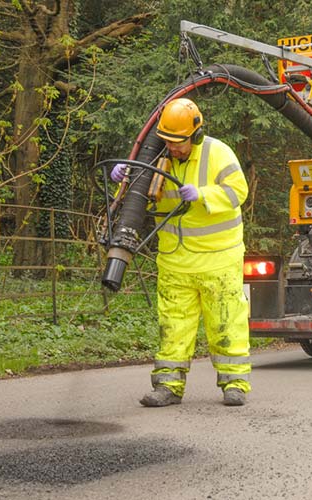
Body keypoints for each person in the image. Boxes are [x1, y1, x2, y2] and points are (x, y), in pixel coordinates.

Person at [113, 98, 251, 407]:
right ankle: (168, 386)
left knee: (226, 321)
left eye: (180, 142)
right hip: (175, 259)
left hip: (219, 257)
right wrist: (123, 177)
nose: (174, 148)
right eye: (168, 141)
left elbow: (238, 191)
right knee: (173, 324)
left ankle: (235, 384)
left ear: (197, 135)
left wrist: (203, 195)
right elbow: (137, 201)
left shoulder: (218, 152)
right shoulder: (156, 160)